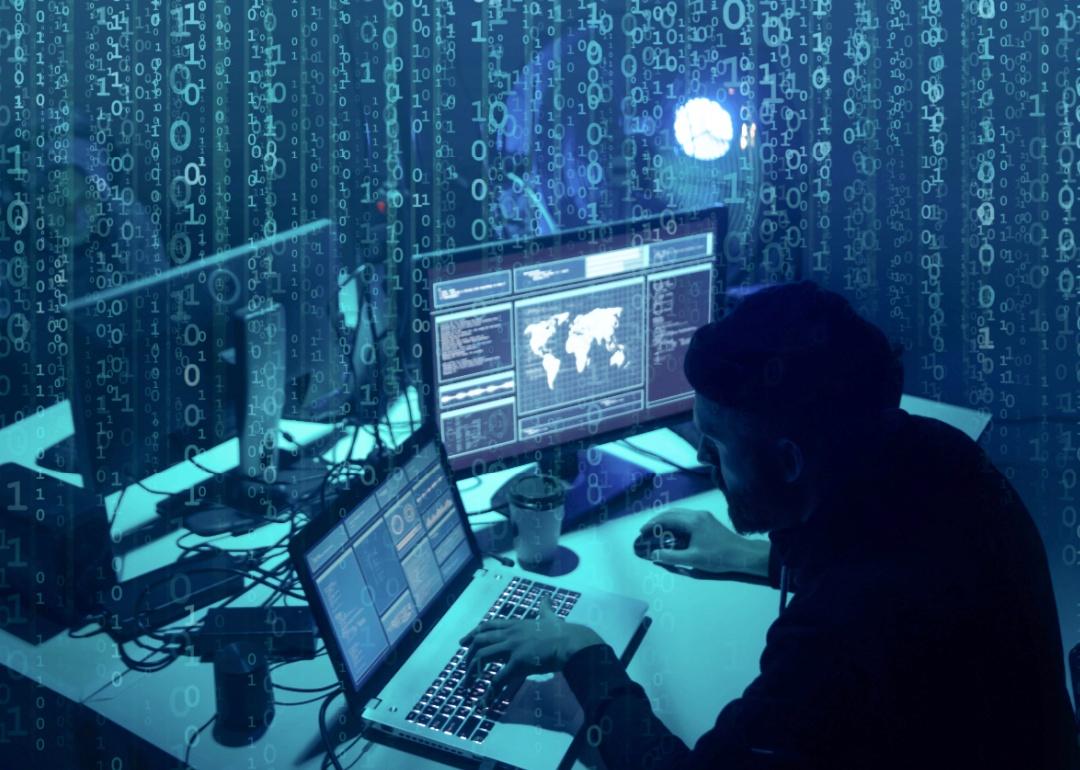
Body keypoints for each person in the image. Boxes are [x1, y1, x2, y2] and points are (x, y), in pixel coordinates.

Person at [461, 281, 1080, 769]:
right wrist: (750, 556)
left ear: (788, 461)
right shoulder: (937, 452)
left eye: (716, 445)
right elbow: (885, 554)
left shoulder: (835, 637)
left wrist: (583, 651)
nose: (703, 460)